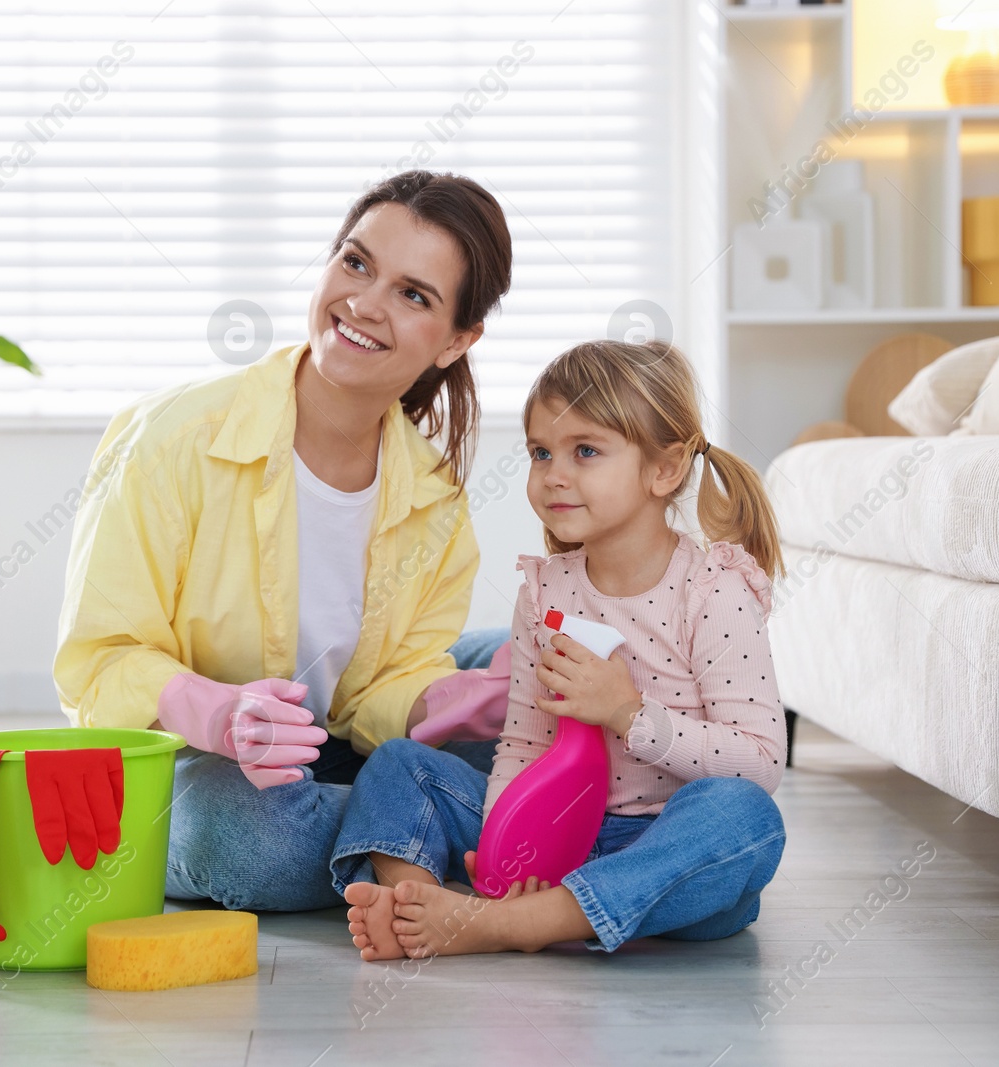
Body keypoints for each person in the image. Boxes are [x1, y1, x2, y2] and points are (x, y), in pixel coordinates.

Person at [54, 171, 516, 911]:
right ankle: (467, 836)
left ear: (458, 341)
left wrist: (445, 700)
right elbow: (98, 662)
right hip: (196, 761)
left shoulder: (433, 496)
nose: (362, 303)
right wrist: (214, 710)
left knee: (539, 691)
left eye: (413, 294)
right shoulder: (172, 440)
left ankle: (416, 829)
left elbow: (373, 689)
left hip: (337, 741)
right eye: (356, 262)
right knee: (255, 843)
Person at [330, 338, 789, 957]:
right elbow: (524, 741)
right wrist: (504, 849)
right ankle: (417, 905)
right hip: (554, 840)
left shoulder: (715, 591)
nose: (554, 475)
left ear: (666, 469)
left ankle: (505, 925)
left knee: (743, 818)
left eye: (586, 451)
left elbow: (759, 763)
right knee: (396, 764)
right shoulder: (546, 592)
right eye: (541, 452)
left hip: (661, 849)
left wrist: (629, 715)